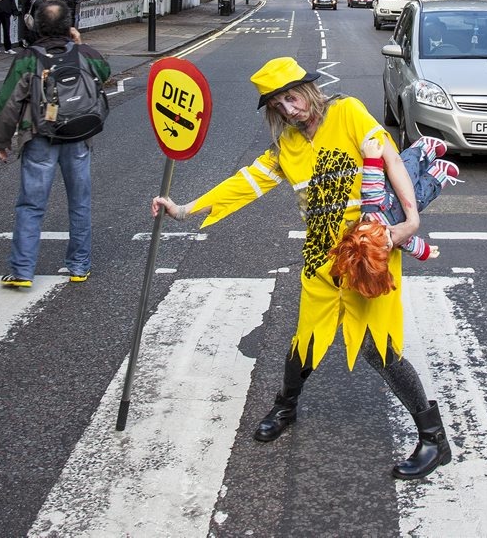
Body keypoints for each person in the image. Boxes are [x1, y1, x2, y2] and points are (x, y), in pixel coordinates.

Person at [151, 57, 452, 480]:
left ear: (308, 89)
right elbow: (244, 183)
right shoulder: (286, 147)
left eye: (291, 97)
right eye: (277, 105)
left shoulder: (346, 112)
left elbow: (392, 160)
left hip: (369, 250)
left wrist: (411, 222)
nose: (289, 110)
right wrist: (184, 209)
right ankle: (286, 405)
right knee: (307, 339)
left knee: (379, 348)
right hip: (320, 256)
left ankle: (433, 440)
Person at [0, 0, 111, 288]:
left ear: (36, 24)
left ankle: (22, 271)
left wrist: (2, 140)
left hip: (40, 137)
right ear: (69, 25)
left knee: (31, 205)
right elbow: (104, 73)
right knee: (79, 203)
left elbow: (7, 103)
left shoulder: (27, 58)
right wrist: (79, 43)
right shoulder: (85, 53)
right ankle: (79, 266)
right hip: (78, 136)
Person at [329, 136, 459, 297]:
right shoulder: (392, 238)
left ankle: (425, 148)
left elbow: (372, 182)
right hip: (413, 203)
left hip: (401, 178)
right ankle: (438, 174)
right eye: (388, 247)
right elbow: (408, 242)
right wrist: (424, 251)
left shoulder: (373, 206)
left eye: (385, 242)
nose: (391, 243)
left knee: (410, 163)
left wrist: (372, 158)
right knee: (424, 193)